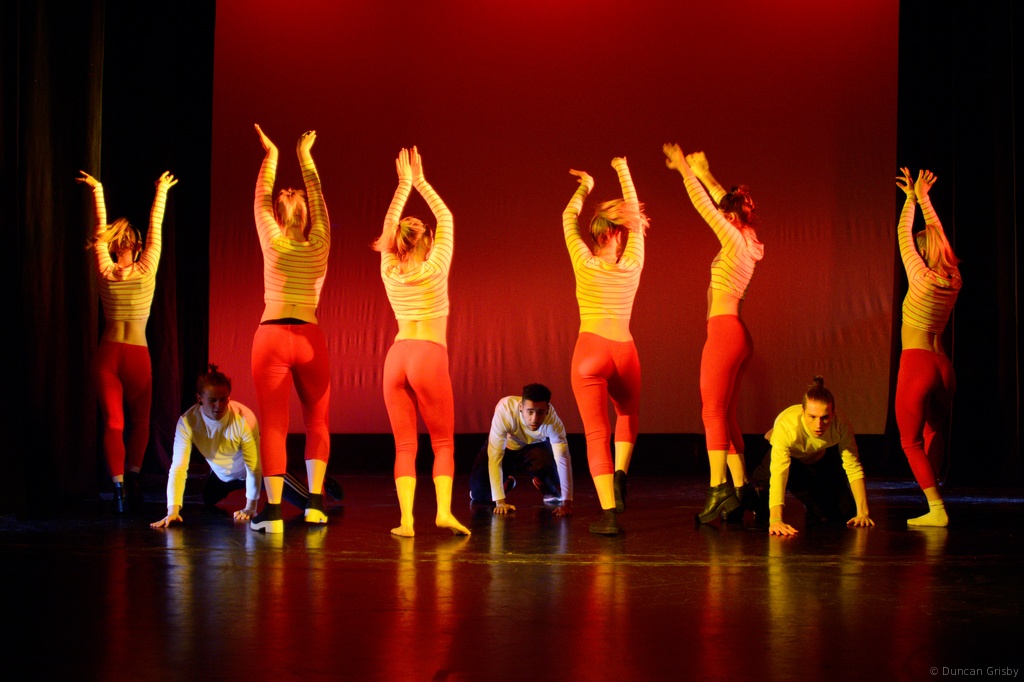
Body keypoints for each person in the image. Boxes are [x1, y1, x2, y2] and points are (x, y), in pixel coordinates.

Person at [663, 144, 764, 524]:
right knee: (726, 414)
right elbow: (725, 202)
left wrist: (684, 171)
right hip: (737, 334)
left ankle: (717, 488)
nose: (720, 216)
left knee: (711, 412)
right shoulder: (748, 238)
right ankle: (741, 488)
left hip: (723, 333)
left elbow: (706, 207)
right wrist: (706, 172)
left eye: (726, 214)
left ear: (731, 218)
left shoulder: (734, 240)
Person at [373, 146, 469, 537]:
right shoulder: (436, 266)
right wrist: (420, 182)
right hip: (428, 355)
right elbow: (446, 216)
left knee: (404, 446)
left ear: (396, 242)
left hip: (397, 356)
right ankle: (442, 512)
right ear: (428, 239)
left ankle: (407, 521)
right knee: (442, 442)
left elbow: (388, 225)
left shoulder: (389, 269)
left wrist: (402, 186)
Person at [78, 169, 177, 512]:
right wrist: (161, 190)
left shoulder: (104, 271)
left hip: (107, 354)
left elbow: (98, 230)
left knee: (113, 423)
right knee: (141, 422)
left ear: (112, 246)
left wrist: (97, 190)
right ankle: (132, 479)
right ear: (136, 247)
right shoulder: (147, 269)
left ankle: (119, 489)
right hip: (136, 355)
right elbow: (155, 227)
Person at [249, 125, 332, 533]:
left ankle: (273, 513)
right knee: (317, 421)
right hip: (309, 338)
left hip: (272, 337)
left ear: (279, 217)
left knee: (274, 426)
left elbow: (260, 198)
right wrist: (305, 156)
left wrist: (273, 155)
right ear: (305, 216)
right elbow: (318, 197)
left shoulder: (273, 241)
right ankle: (315, 505)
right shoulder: (319, 244)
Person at [562, 157, 647, 535]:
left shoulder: (583, 262)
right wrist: (622, 170)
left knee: (597, 434)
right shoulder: (632, 263)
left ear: (595, 236)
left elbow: (568, 216)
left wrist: (586, 186)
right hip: (624, 350)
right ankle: (621, 474)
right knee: (627, 414)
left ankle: (609, 514)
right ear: (620, 235)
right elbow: (637, 218)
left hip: (590, 351)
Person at [150, 365, 341, 531]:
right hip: (223, 476)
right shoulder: (187, 422)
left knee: (309, 505)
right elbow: (178, 467)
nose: (218, 405)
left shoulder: (243, 417)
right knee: (207, 499)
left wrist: (251, 506)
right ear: (199, 398)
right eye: (213, 400)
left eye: (223, 399)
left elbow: (254, 466)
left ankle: (320, 482)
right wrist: (172, 510)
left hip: (261, 472)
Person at [894, 168, 961, 527]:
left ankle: (936, 508)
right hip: (943, 364)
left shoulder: (919, 277)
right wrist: (925, 198)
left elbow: (903, 234)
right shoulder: (954, 278)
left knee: (910, 442)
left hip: (917, 364)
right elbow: (938, 236)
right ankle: (935, 499)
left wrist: (910, 199)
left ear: (921, 253)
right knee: (933, 431)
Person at [752, 377, 874, 536]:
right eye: (812, 417)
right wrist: (776, 519)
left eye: (825, 418)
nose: (818, 425)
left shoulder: (841, 425)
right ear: (802, 413)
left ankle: (811, 501)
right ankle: (759, 493)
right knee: (764, 509)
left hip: (815, 458)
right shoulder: (787, 428)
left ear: (833, 414)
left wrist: (863, 512)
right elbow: (779, 472)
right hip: (784, 459)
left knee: (844, 512)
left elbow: (853, 466)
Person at [469, 383, 574, 516]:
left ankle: (545, 485)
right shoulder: (505, 409)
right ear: (521, 407)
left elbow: (563, 459)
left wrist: (566, 503)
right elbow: (495, 456)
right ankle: (507, 482)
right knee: (478, 494)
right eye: (530, 412)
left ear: (547, 409)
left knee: (549, 468)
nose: (534, 419)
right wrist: (500, 502)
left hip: (534, 447)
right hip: (507, 447)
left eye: (540, 412)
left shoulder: (553, 421)